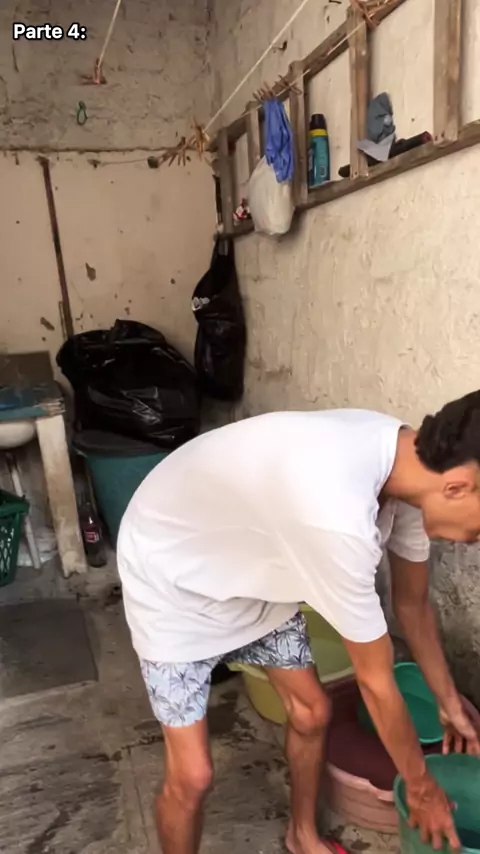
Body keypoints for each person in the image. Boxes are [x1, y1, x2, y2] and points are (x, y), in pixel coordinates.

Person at [117, 392, 480, 854]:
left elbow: (412, 605)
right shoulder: (339, 516)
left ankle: (302, 835)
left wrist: (448, 702)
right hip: (172, 570)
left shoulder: (409, 471)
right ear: (458, 487)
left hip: (250, 566)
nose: (477, 540)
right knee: (193, 775)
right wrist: (422, 788)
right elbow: (375, 682)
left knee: (312, 712)